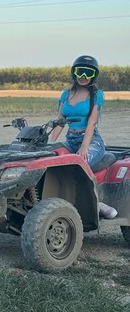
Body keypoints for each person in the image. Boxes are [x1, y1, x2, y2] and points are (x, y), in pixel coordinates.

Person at [50, 54, 117, 219]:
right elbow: (59, 121)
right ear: (74, 73)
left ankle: (97, 203)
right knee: (50, 161)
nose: (83, 77)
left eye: (88, 73)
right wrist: (49, 144)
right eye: (80, 72)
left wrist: (84, 147)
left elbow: (91, 123)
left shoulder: (96, 95)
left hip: (91, 140)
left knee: (79, 165)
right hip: (70, 140)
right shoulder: (66, 94)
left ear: (94, 76)